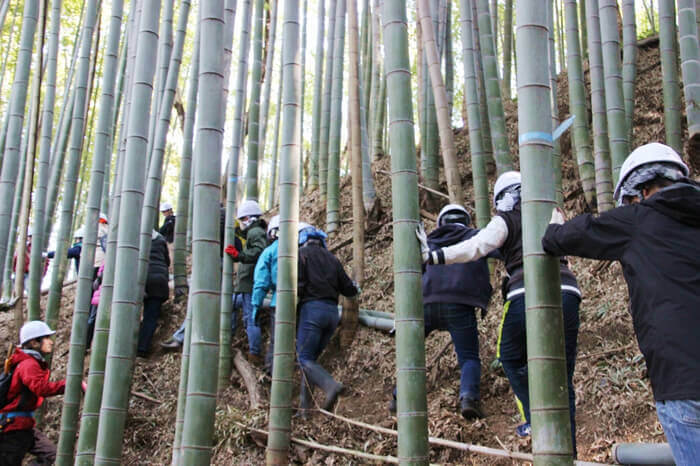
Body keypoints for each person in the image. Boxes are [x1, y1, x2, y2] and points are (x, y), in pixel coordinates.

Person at [541, 143, 699, 465]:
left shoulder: (640, 219)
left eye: (627, 201)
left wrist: (554, 227)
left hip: (683, 382)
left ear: (641, 190)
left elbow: (569, 236)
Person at [417, 171, 581, 453]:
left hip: (524, 293)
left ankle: (534, 419)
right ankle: (569, 453)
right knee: (563, 376)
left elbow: (476, 247)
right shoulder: (552, 210)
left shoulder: (505, 219)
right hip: (567, 291)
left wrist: (433, 256)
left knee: (508, 355)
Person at [390, 204, 493, 420]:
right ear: (466, 220)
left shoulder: (427, 240)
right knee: (469, 357)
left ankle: (399, 398)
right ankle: (468, 398)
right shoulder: (477, 238)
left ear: (440, 222)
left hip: (425, 304)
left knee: (412, 356)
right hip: (459, 304)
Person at [296, 223, 359, 416]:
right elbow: (349, 289)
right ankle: (304, 409)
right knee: (310, 361)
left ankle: (330, 384)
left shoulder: (301, 255)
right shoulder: (333, 259)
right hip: (332, 314)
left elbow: (297, 285)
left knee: (304, 358)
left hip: (312, 311)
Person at [0, 321, 67, 465]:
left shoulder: (29, 362)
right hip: (12, 428)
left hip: (24, 426)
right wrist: (67, 385)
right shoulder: (28, 364)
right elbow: (41, 388)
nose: (51, 342)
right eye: (47, 338)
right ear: (34, 342)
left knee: (53, 455)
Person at [224, 200, 267, 365]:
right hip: (245, 283)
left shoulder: (256, 232)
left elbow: (258, 250)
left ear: (250, 218)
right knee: (232, 306)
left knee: (250, 318)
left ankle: (255, 354)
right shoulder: (253, 231)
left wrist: (239, 255)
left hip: (250, 283)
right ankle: (228, 338)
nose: (241, 223)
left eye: (243, 219)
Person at [250, 215, 280, 374]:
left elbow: (261, 282)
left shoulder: (270, 251)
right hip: (301, 302)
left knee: (277, 341)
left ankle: (270, 372)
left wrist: (256, 306)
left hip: (279, 302)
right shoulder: (300, 250)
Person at [137, 230, 170, 357]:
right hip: (159, 281)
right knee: (150, 317)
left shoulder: (134, 238)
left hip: (141, 278)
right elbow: (167, 262)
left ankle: (132, 347)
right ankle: (142, 348)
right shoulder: (161, 239)